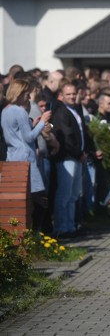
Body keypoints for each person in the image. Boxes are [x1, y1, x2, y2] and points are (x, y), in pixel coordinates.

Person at [1, 79, 52, 231]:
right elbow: (29, 138)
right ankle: (34, 235)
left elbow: (17, 133)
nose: (28, 97)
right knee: (39, 200)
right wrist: (42, 122)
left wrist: (32, 125)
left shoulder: (5, 110)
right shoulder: (20, 111)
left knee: (19, 199)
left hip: (12, 156)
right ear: (19, 93)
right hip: (26, 157)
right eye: (26, 93)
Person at [51, 80, 100, 238]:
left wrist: (85, 151)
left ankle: (70, 226)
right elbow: (67, 137)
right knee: (64, 195)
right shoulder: (61, 112)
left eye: (73, 93)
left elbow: (81, 134)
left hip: (77, 157)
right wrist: (78, 153)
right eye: (68, 94)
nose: (72, 96)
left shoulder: (74, 110)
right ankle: (61, 227)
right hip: (67, 158)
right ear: (61, 95)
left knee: (73, 195)